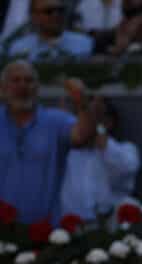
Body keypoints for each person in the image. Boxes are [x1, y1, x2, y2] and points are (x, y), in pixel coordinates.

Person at [0, 60, 95, 224]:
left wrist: (82, 104)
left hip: (44, 230)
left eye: (29, 80)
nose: (23, 86)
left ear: (37, 89)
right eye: (15, 80)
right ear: (2, 89)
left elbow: (83, 136)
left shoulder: (55, 121)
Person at [60, 96, 141, 221]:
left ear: (109, 122)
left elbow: (127, 168)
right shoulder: (67, 153)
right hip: (69, 226)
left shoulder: (125, 149)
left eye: (94, 117)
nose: (87, 122)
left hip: (109, 227)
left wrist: (98, 127)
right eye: (83, 117)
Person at [7, 0, 94, 61]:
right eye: (48, 11)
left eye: (60, 10)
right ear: (34, 16)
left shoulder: (85, 44)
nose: (56, 15)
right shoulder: (19, 48)